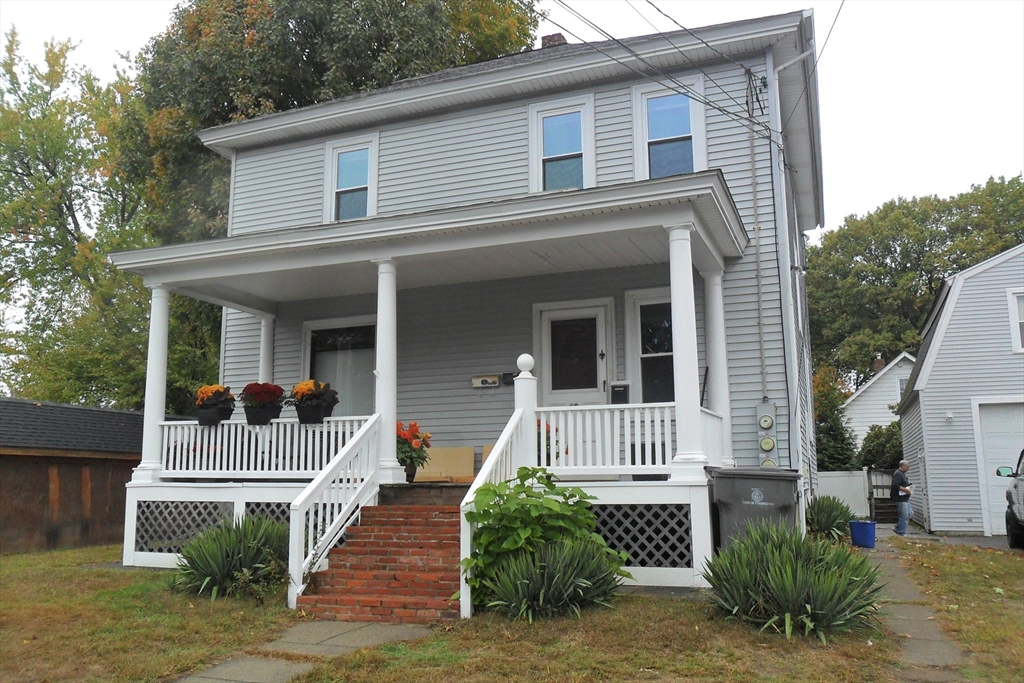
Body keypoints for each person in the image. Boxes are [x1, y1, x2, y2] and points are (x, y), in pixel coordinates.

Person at [890, 460, 913, 536]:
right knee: (904, 515)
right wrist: (906, 490)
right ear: (903, 466)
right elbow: (896, 485)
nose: (908, 468)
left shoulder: (902, 474)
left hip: (905, 498)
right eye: (908, 467)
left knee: (910, 513)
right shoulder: (898, 474)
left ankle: (897, 527)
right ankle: (901, 532)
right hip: (900, 498)